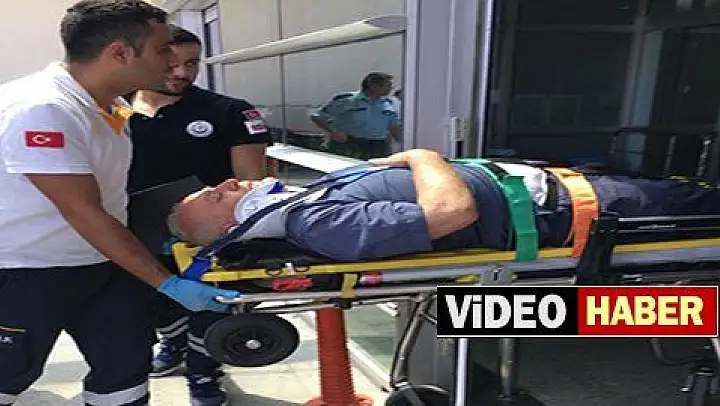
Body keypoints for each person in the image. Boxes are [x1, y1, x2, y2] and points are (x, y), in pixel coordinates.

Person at [0, 2, 240, 406]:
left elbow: (110, 196)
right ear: (120, 53)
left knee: (125, 369)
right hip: (25, 272)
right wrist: (166, 282)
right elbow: (84, 211)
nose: (172, 62)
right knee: (8, 375)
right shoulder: (42, 109)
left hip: (101, 264)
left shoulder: (108, 107)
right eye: (162, 50)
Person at [169, 149, 720, 262]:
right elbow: (452, 215)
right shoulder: (319, 223)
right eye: (216, 196)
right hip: (581, 210)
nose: (227, 183)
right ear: (229, 226)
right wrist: (421, 156)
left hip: (571, 191)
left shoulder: (308, 204)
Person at [126, 24, 272, 403]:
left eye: (191, 64)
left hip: (208, 236)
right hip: (133, 232)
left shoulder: (229, 112)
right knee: (152, 302)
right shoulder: (110, 110)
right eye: (170, 63)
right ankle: (174, 342)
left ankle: (204, 375)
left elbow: (253, 184)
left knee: (211, 307)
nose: (181, 73)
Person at [310, 72, 402, 160]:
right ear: (373, 86)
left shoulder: (390, 104)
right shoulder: (347, 100)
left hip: (378, 146)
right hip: (350, 144)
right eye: (387, 86)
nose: (390, 89)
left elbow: (393, 126)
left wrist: (404, 144)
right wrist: (333, 131)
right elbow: (317, 116)